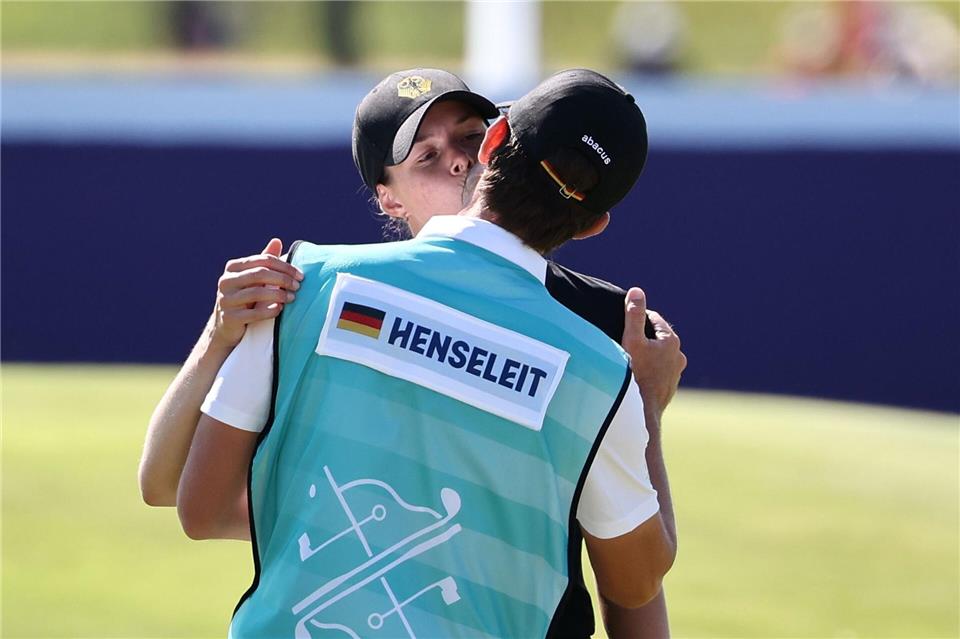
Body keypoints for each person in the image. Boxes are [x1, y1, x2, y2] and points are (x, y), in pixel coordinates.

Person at [139, 68, 678, 637]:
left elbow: (198, 504)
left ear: (492, 142)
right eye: (425, 154)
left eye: (468, 138)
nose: (454, 161)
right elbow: (636, 583)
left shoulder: (305, 282)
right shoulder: (604, 362)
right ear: (595, 225)